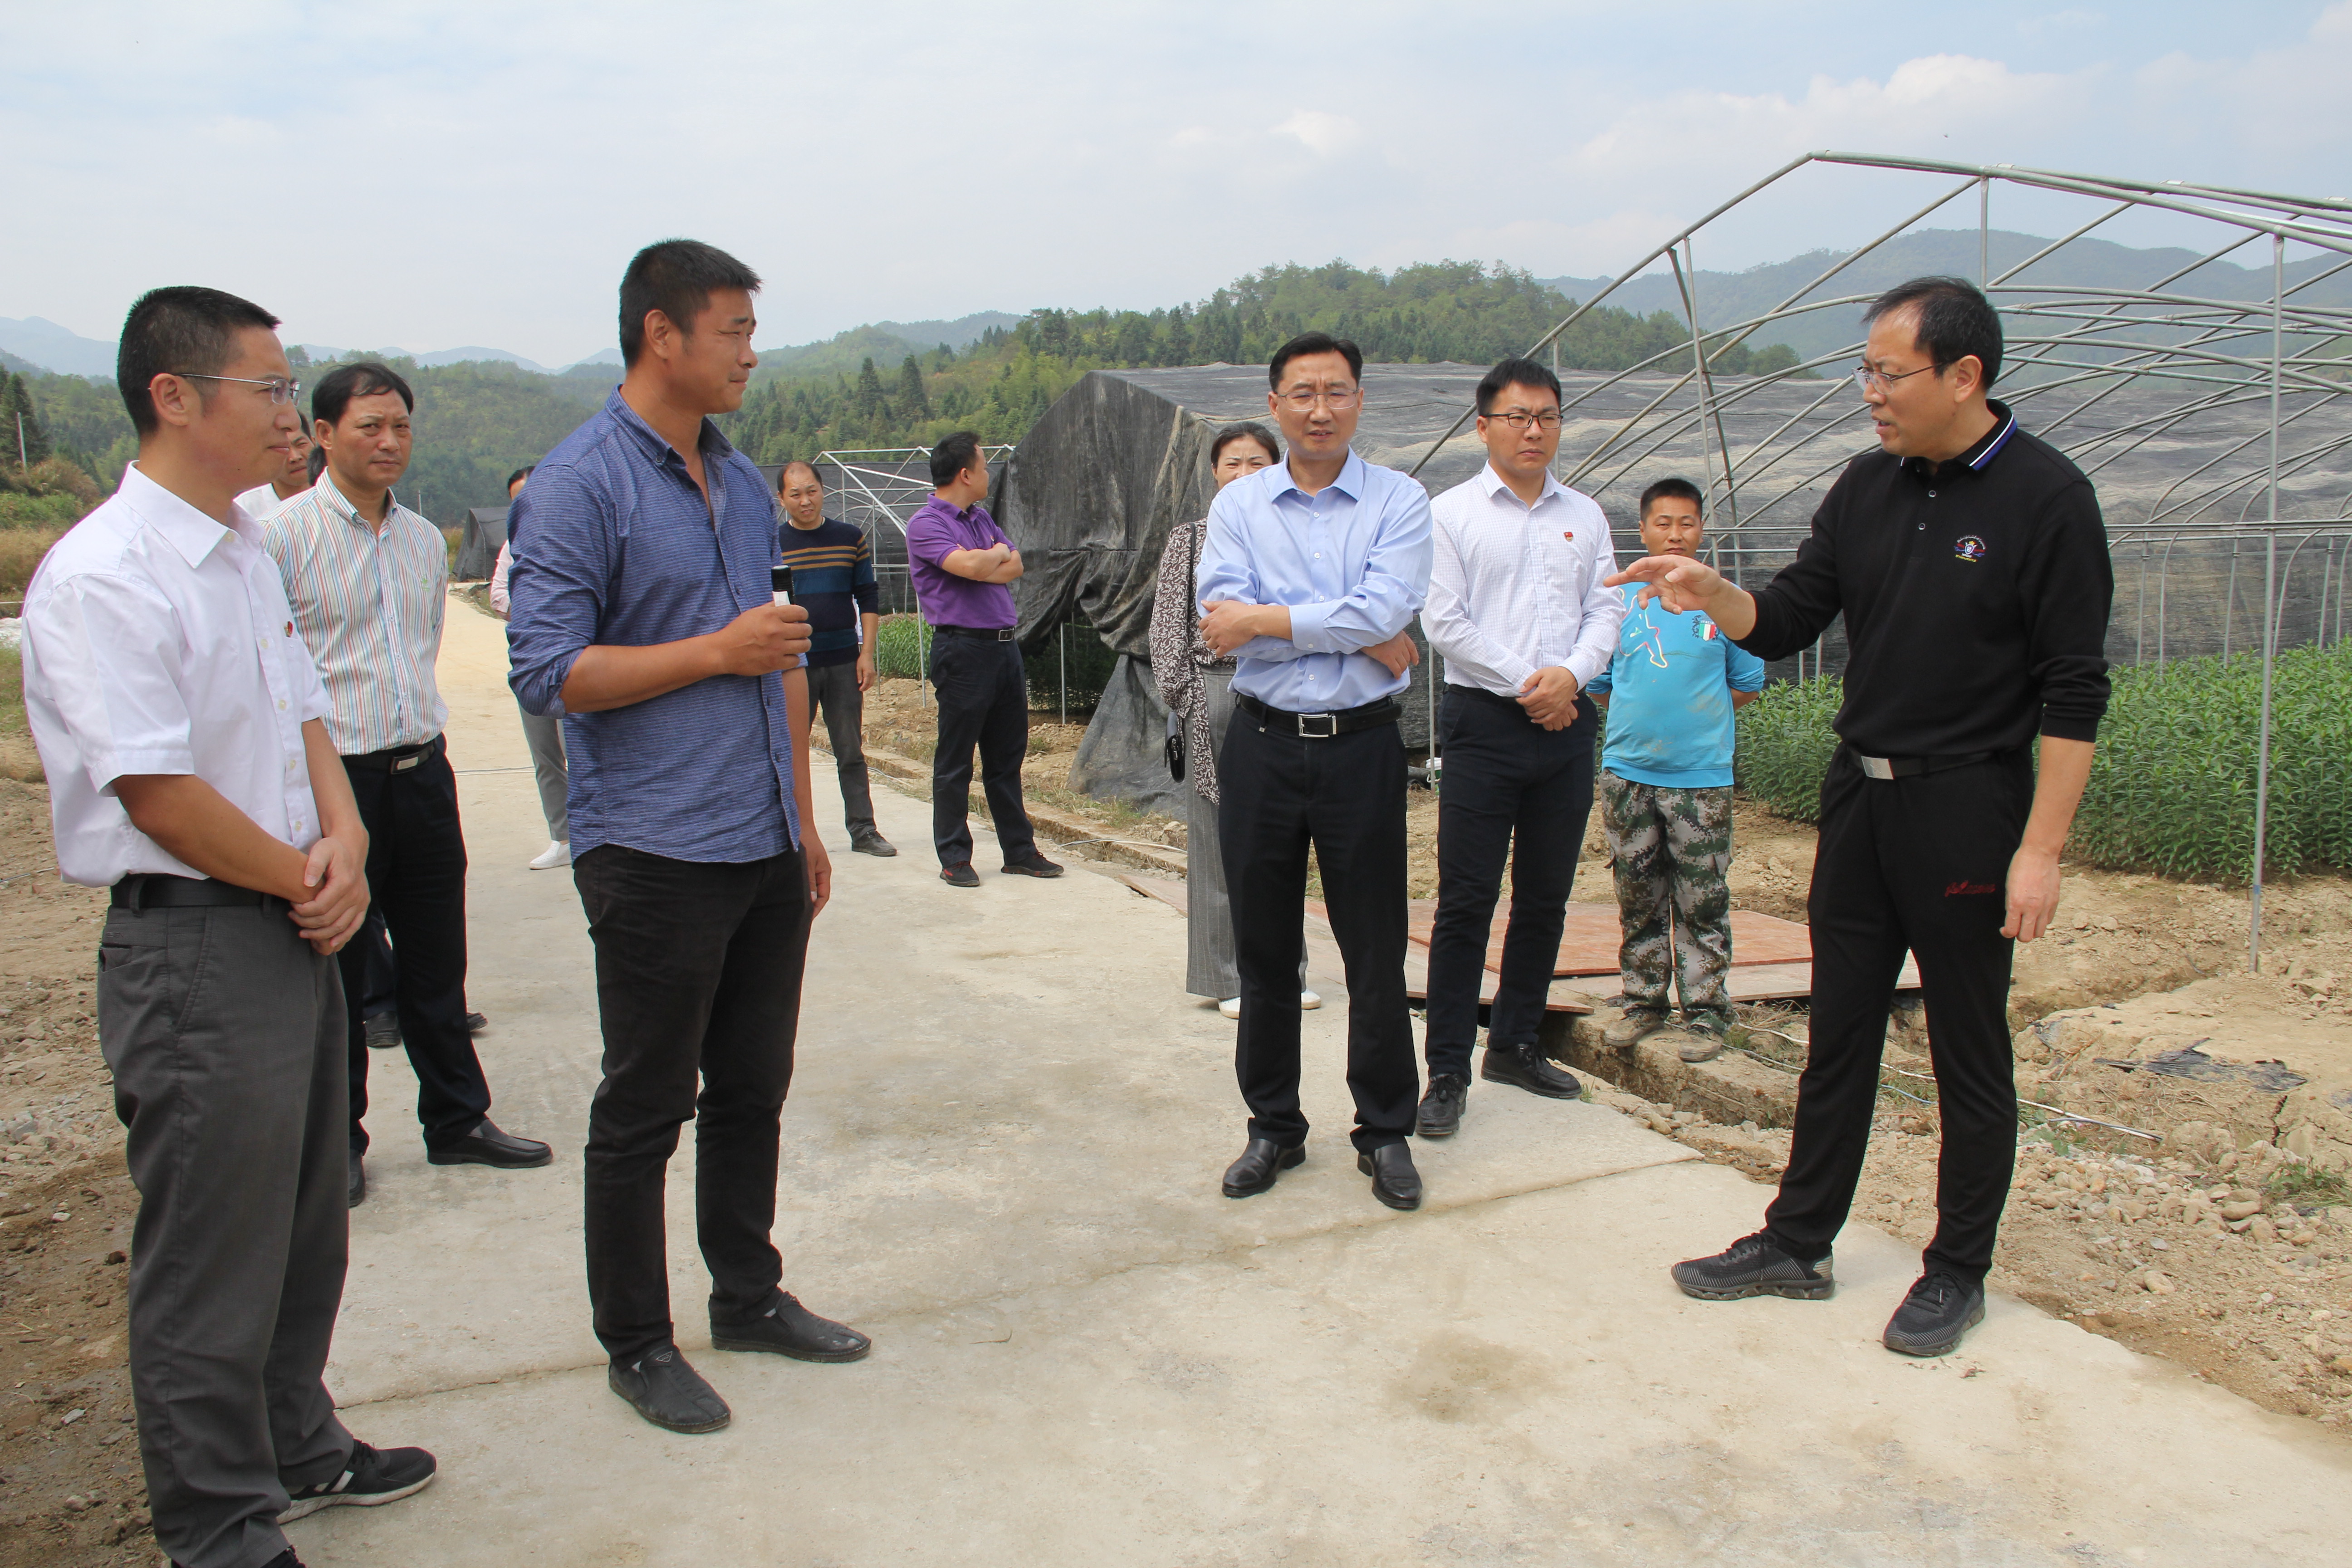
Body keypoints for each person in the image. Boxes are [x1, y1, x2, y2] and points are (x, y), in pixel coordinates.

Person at [1609, 276, 2111, 1358]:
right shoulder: (1865, 486)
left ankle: (1955, 1266)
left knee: (1965, 1046)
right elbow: (1786, 617)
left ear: (1963, 375)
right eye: (1865, 372)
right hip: (1862, 794)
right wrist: (1709, 590)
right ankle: (1797, 1240)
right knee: (1837, 1030)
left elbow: (2073, 689)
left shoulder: (2046, 500)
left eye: (1887, 373)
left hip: (1969, 804)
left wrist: (2039, 850)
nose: (1869, 393)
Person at [20, 285, 435, 1568]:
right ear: (176, 397)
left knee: (308, 1208)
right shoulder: (102, 575)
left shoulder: (243, 551)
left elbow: (304, 711)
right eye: (268, 389)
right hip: (199, 939)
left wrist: (348, 841)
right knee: (212, 1248)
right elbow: (155, 790)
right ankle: (217, 1526)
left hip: (290, 915)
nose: (288, 414)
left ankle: (297, 1442)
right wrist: (307, 879)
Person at [508, 238, 869, 1436]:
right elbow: (550, 672)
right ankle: (638, 1340)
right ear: (662, 334)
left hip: (758, 832)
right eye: (734, 331)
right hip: (654, 847)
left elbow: (777, 656)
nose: (750, 354)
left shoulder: (745, 478)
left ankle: (749, 1294)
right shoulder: (581, 484)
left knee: (753, 1087)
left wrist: (804, 822)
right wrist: (710, 653)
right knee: (646, 1101)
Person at [265, 362, 551, 1208]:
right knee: (341, 978)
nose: (389, 442)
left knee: (437, 965)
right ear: (323, 436)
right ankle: (338, 1144)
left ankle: (458, 1119)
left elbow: (416, 654)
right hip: (334, 786)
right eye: (369, 427)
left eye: (401, 427)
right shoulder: (280, 540)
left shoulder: (424, 540)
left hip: (421, 770)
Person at [1197, 331, 1432, 1212]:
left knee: (1373, 946)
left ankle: (1384, 1132)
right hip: (1260, 741)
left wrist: (1269, 616)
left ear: (1360, 402)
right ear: (1276, 404)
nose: (1321, 408)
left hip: (1362, 744)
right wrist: (1341, 626)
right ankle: (1273, 1128)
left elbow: (1386, 607)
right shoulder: (1240, 505)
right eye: (1303, 393)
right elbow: (1218, 615)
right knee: (1263, 947)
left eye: (1337, 391)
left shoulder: (1401, 500)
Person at [1413, 357, 1623, 1139]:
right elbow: (1445, 623)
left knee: (1544, 895)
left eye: (1546, 416)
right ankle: (1443, 1067)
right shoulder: (1451, 514)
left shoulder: (1586, 515)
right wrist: (1529, 684)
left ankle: (1515, 1042)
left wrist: (1568, 676)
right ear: (1483, 426)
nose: (1533, 430)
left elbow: (1605, 609)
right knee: (1466, 899)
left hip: (1567, 725)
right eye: (1516, 416)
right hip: (1485, 723)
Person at [1147, 422, 1323, 1019]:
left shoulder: (1297, 536)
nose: (1244, 475)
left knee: (1286, 838)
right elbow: (1168, 630)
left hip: (1286, 691)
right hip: (1217, 692)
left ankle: (1288, 973)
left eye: (1257, 463)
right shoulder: (1190, 540)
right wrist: (1191, 700)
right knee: (1221, 839)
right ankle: (1227, 978)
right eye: (1232, 464)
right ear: (1214, 473)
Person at [1587, 478, 1766, 1065]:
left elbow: (1747, 682)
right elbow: (1603, 684)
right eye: (1663, 523)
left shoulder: (1720, 604)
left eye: (1687, 523)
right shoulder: (1620, 608)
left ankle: (1707, 1012)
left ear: (1701, 530)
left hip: (1701, 779)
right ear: (1643, 531)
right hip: (1628, 774)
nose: (1675, 534)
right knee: (1637, 890)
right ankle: (1643, 1003)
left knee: (1701, 895)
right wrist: (1648, 722)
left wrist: (1697, 722)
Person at [905, 431, 1062, 887]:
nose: (989, 473)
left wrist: (988, 558)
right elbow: (974, 568)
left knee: (1006, 756)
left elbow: (1016, 565)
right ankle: (955, 855)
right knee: (956, 759)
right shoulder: (926, 523)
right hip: (963, 649)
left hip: (1003, 648)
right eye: (984, 464)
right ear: (965, 473)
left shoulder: (979, 519)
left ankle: (1019, 850)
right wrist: (991, 556)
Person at [775, 459, 894, 857]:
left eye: (811, 491)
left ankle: (863, 830)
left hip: (845, 660)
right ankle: (790, 836)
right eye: (796, 494)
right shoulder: (773, 545)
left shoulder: (849, 537)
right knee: (791, 752)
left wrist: (867, 654)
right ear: (782, 498)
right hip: (794, 665)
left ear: (823, 491)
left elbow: (868, 597)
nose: (805, 501)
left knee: (850, 750)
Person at [490, 464, 572, 869]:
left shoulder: (580, 536)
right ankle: (562, 836)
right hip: (533, 665)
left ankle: (598, 833)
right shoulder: (512, 545)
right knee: (546, 755)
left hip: (582, 664)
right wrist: (538, 613)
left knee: (587, 749)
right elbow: (498, 594)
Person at [234, 420, 313, 518]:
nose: (295, 458)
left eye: (301, 444)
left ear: (314, 442)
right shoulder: (245, 510)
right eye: (283, 449)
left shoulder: (334, 494)